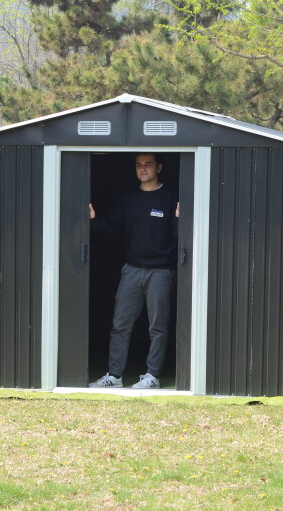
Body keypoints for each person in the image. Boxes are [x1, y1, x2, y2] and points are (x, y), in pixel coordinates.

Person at [88, 153, 179, 389]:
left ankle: (152, 377)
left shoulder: (171, 198)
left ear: (159, 167)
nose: (143, 169)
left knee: (157, 327)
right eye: (138, 165)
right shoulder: (128, 199)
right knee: (120, 324)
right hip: (131, 270)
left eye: (148, 164)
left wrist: (181, 219)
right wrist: (93, 220)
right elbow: (112, 228)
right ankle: (114, 376)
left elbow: (182, 235)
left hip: (160, 272)